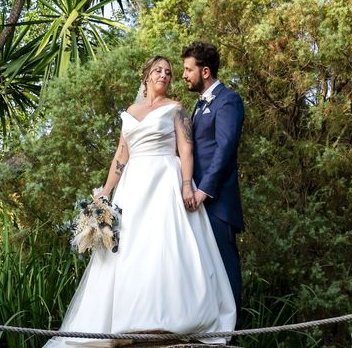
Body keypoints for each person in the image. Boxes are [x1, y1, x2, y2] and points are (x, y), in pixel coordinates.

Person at [43, 56, 236, 347]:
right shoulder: (130, 112)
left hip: (165, 181)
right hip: (133, 186)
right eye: (158, 70)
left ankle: (169, 321)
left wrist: (186, 184)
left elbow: (186, 150)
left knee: (163, 247)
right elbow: (122, 154)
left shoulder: (176, 109)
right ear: (145, 76)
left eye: (169, 73)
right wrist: (106, 192)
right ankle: (129, 321)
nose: (165, 75)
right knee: (132, 248)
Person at [182, 42, 245, 321]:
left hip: (217, 201)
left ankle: (230, 332)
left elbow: (225, 147)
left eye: (188, 69)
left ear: (205, 71)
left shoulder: (228, 100)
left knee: (225, 263)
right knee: (202, 267)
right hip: (194, 198)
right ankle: (208, 326)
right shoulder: (198, 105)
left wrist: (205, 190)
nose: (184, 75)